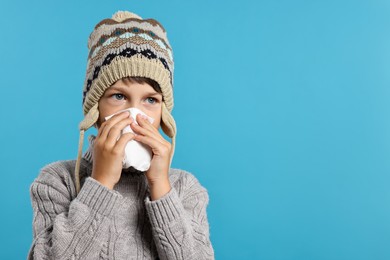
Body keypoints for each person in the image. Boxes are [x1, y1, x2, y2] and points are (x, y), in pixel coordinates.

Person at [28, 10, 214, 259]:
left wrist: (160, 186)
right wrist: (101, 183)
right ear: (95, 110)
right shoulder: (57, 181)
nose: (134, 114)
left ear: (164, 115)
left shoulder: (184, 187)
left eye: (150, 99)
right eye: (119, 96)